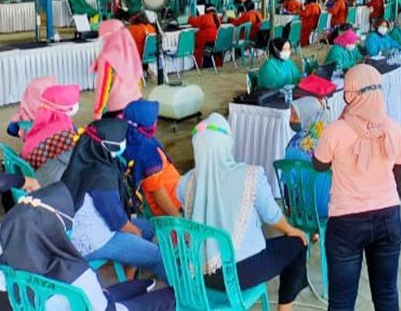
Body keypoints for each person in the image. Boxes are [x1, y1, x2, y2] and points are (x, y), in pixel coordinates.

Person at [178, 113, 309, 309]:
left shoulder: (185, 183)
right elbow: (272, 216)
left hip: (198, 274)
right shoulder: (250, 176)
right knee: (298, 244)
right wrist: (291, 230)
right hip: (239, 274)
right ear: (226, 144)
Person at [313, 64, 401, 310]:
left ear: (350, 95)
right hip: (388, 217)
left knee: (342, 301)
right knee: (387, 294)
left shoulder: (335, 131)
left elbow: (319, 165)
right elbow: (398, 183)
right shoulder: (395, 130)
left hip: (345, 224)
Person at [0, 183, 176, 311]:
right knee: (170, 297)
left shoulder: (5, 270)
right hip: (101, 306)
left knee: (133, 287)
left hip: (69, 303)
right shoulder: (76, 273)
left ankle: (140, 286)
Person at [61, 119, 167, 281]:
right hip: (94, 239)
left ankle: (129, 277)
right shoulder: (102, 175)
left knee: (150, 228)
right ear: (105, 145)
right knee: (157, 256)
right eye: (119, 142)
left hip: (79, 229)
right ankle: (185, 293)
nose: (123, 145)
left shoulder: (83, 157)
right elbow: (117, 220)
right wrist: (133, 232)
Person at [122, 100, 182, 217]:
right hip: (170, 205)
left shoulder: (133, 139)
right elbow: (157, 192)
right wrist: (178, 218)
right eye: (153, 119)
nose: (156, 122)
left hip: (172, 191)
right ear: (144, 122)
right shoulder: (146, 151)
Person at [20, 84, 79, 186]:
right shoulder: (63, 133)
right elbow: (76, 162)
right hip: (50, 187)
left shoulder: (42, 122)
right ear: (69, 109)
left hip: (36, 177)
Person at [284, 97, 331, 219]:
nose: (291, 119)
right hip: (331, 209)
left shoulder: (293, 146)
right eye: (291, 114)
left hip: (303, 211)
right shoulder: (329, 139)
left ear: (307, 116)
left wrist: (289, 207)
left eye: (296, 115)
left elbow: (289, 185)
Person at [92, 20, 143, 120]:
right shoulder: (130, 51)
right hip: (137, 102)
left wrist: (98, 112)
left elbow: (103, 88)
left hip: (118, 109)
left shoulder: (106, 58)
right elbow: (138, 78)